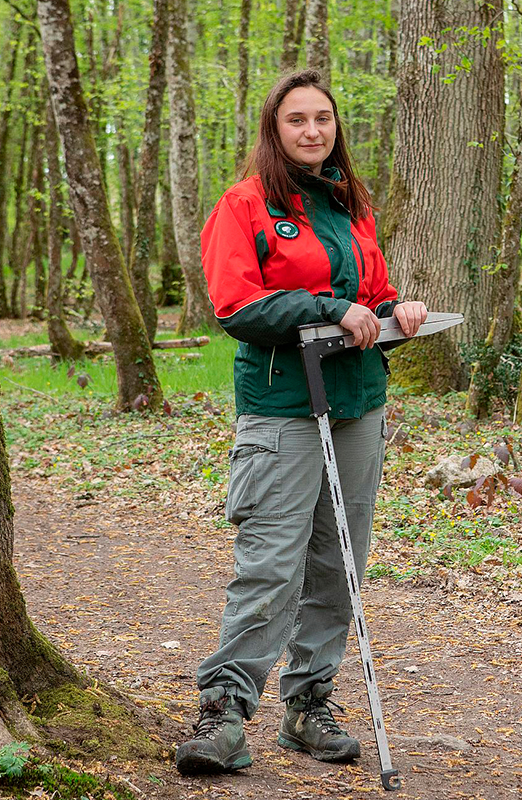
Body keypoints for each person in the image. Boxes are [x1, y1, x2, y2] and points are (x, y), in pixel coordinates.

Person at [175, 69, 427, 775]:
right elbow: (236, 308)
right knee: (271, 566)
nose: (313, 130)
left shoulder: (350, 204)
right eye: (297, 120)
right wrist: (323, 307)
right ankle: (223, 710)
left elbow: (372, 296)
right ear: (274, 128)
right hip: (284, 408)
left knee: (338, 561)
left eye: (323, 118)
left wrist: (396, 311)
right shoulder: (246, 204)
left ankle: (309, 703)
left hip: (357, 407)